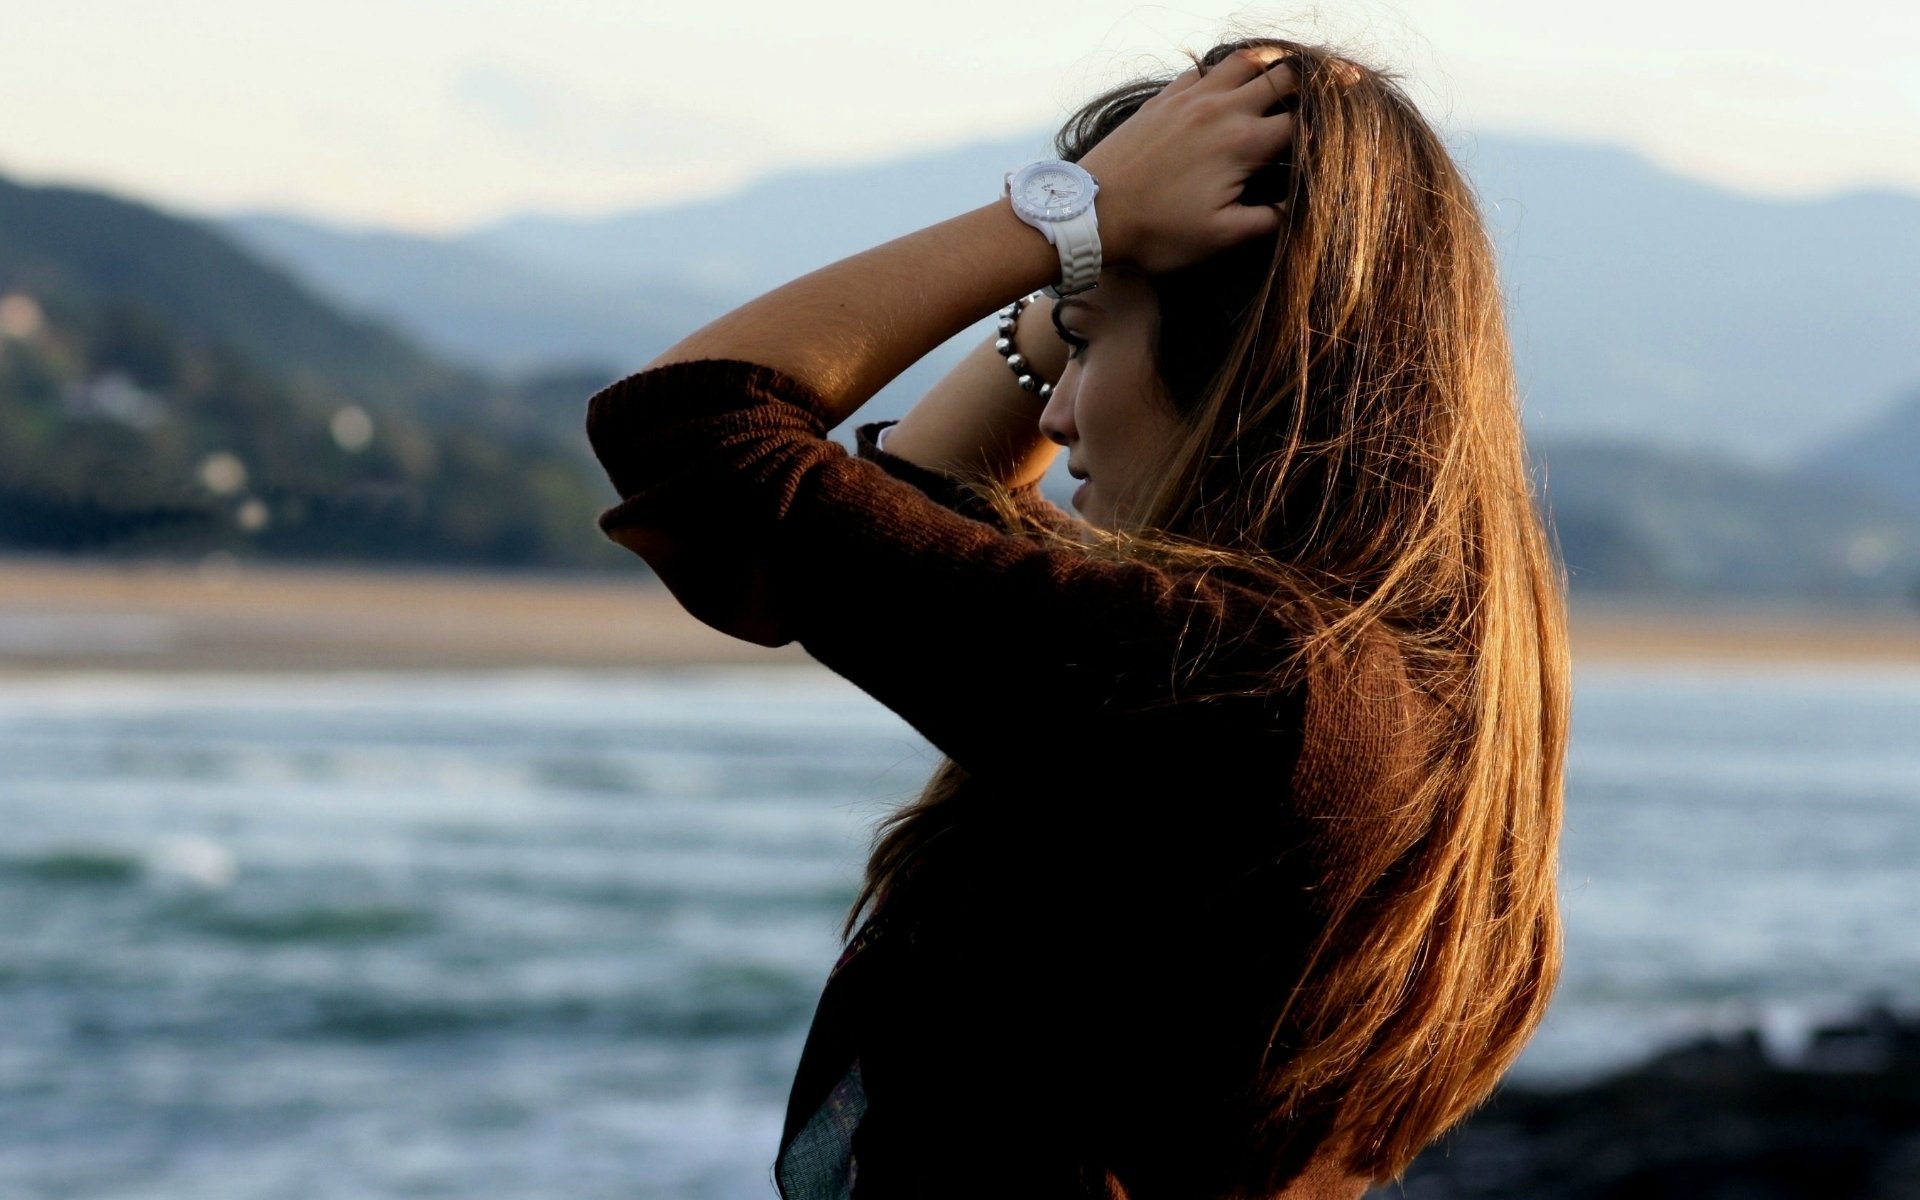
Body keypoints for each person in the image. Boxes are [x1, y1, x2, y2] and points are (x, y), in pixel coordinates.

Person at [585, 35, 1569, 1200]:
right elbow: (919, 499)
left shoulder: (1246, 693)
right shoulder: (1364, 695)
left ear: (1240, 357)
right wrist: (1089, 279)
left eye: (1086, 342)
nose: (1051, 405)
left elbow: (694, 436)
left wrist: (1066, 215)